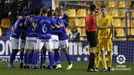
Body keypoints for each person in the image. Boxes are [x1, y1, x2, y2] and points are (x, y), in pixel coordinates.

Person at [97, 6, 114, 72]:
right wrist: (107, 27)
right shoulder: (98, 18)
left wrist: (113, 36)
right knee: (102, 52)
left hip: (108, 37)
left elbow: (112, 27)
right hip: (101, 36)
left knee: (109, 52)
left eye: (103, 10)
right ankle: (105, 67)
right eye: (101, 10)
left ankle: (109, 66)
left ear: (106, 10)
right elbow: (98, 27)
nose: (102, 11)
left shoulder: (110, 17)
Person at [85, 4, 97, 72]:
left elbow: (86, 27)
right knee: (93, 50)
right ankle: (90, 67)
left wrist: (87, 34)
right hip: (92, 33)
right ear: (94, 9)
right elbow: (96, 26)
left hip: (88, 33)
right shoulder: (93, 16)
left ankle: (91, 66)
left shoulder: (87, 16)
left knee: (92, 50)